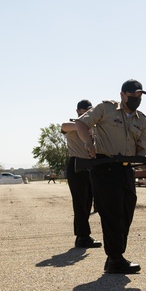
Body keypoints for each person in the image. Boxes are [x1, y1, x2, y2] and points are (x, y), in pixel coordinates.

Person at [75, 80, 146, 273]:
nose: (136, 99)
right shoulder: (106, 109)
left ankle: (116, 254)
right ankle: (115, 257)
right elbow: (82, 124)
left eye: (139, 96)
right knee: (112, 214)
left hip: (125, 170)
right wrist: (88, 143)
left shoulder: (142, 120)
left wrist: (143, 158)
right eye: (133, 95)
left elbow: (142, 148)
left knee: (127, 211)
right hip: (104, 168)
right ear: (122, 94)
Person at [60, 99, 101, 248]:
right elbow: (63, 126)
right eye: (84, 110)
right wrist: (82, 126)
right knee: (80, 203)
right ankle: (83, 236)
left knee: (87, 202)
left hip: (89, 165)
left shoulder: (92, 126)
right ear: (78, 111)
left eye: (89, 110)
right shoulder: (72, 125)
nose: (87, 113)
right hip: (77, 164)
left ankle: (82, 236)